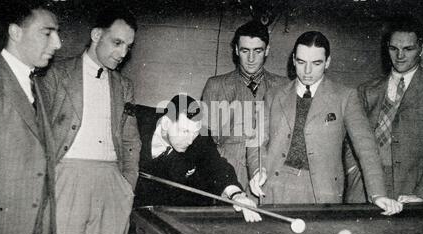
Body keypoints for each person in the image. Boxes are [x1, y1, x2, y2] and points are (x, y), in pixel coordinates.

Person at [247, 31, 403, 215]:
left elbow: (366, 148)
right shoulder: (273, 95)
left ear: (327, 62)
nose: (307, 71)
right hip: (274, 186)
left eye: (316, 63)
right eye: (302, 62)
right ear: (294, 60)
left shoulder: (345, 97)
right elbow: (256, 142)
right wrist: (258, 170)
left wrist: (378, 195)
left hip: (321, 192)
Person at [41, 6, 141, 234]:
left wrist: (127, 186)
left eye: (128, 46)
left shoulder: (125, 85)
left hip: (112, 183)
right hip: (66, 178)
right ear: (96, 35)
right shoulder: (55, 74)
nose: (123, 52)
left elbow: (130, 141)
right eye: (117, 42)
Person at [0, 2, 61, 234]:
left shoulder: (38, 86)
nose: (58, 43)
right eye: (47, 33)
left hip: (38, 230)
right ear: (15, 32)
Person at [344, 15, 423, 203]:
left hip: (413, 193)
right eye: (394, 48)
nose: (400, 56)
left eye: (408, 49)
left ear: (422, 49)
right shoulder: (367, 90)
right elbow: (351, 142)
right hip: (367, 190)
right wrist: (355, 178)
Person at [133, 94, 262, 223]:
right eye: (185, 132)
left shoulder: (200, 137)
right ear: (166, 123)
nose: (190, 141)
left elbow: (216, 166)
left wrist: (236, 195)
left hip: (170, 210)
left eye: (194, 133)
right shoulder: (136, 123)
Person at [201, 20, 287, 193]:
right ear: (236, 50)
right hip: (229, 180)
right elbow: (206, 141)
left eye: (258, 51)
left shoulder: (285, 87)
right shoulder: (215, 86)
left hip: (270, 181)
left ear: (267, 50)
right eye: (245, 51)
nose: (251, 58)